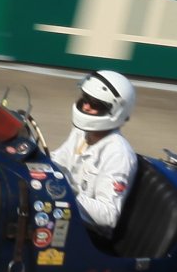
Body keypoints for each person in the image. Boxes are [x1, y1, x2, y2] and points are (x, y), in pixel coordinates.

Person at [50, 70, 139, 236]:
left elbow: (109, 215)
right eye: (85, 99)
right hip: (62, 212)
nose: (86, 106)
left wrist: (66, 193)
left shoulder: (118, 154)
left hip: (86, 233)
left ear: (115, 111)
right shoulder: (82, 132)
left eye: (95, 104)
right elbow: (57, 162)